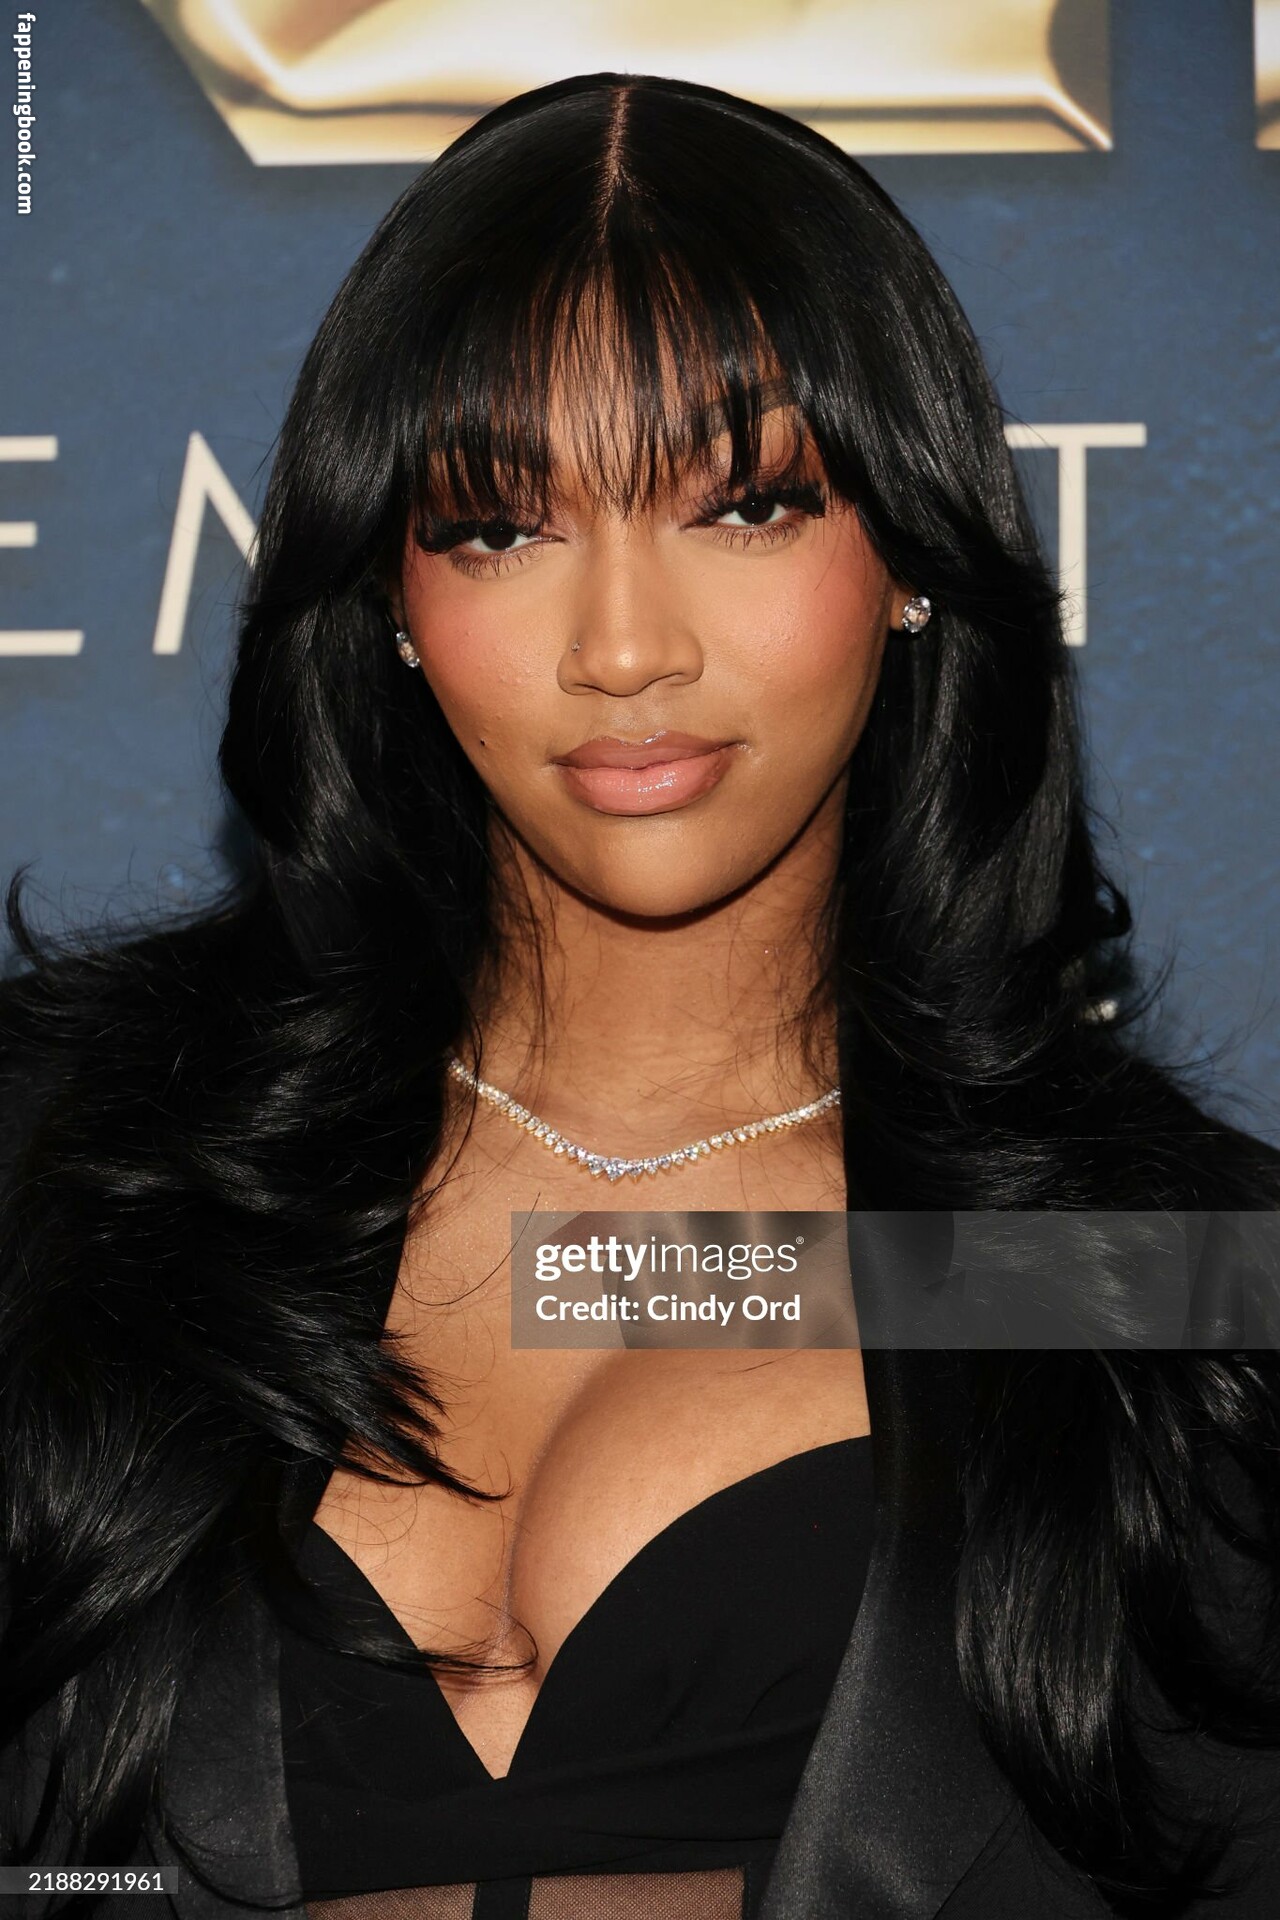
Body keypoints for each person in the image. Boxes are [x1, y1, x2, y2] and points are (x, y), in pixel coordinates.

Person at [2, 68, 1280, 1920]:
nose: (622, 649)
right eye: (500, 525)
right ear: (390, 593)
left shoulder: (1145, 1272)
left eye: (743, 506)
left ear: (908, 558)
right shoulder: (76, 1167)